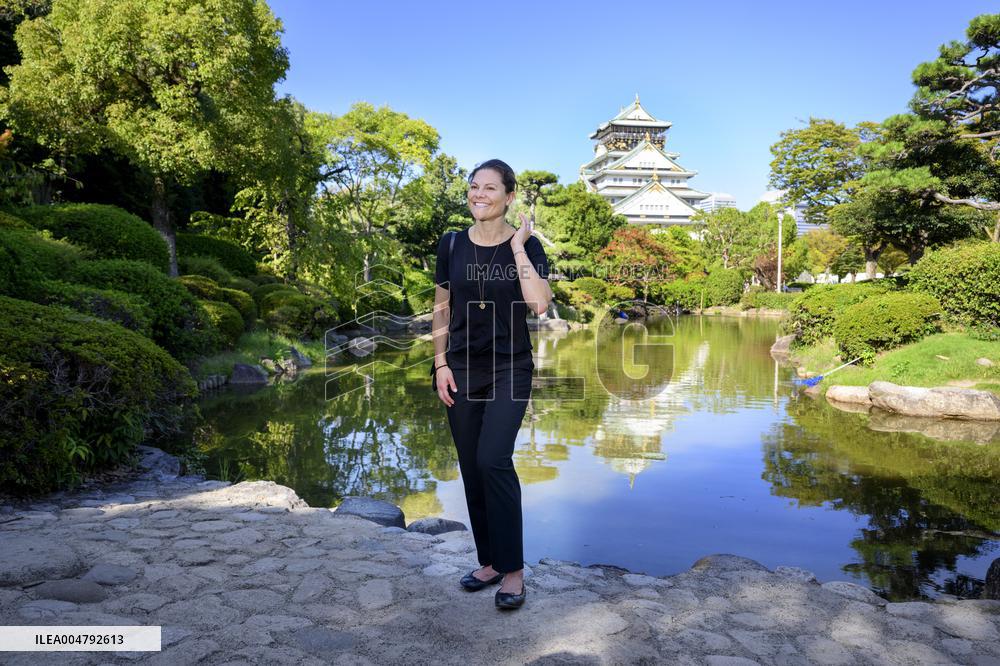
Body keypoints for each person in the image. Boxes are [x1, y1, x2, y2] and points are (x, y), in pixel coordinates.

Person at [430, 159, 552, 610]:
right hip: (459, 368)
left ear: (508, 197)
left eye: (490, 188)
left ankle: (514, 570)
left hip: (510, 368)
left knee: (493, 459)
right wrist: (440, 364)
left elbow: (539, 304)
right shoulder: (451, 244)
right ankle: (489, 562)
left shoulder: (529, 245)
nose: (479, 194)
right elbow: (441, 307)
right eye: (473, 187)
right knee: (470, 465)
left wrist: (518, 247)